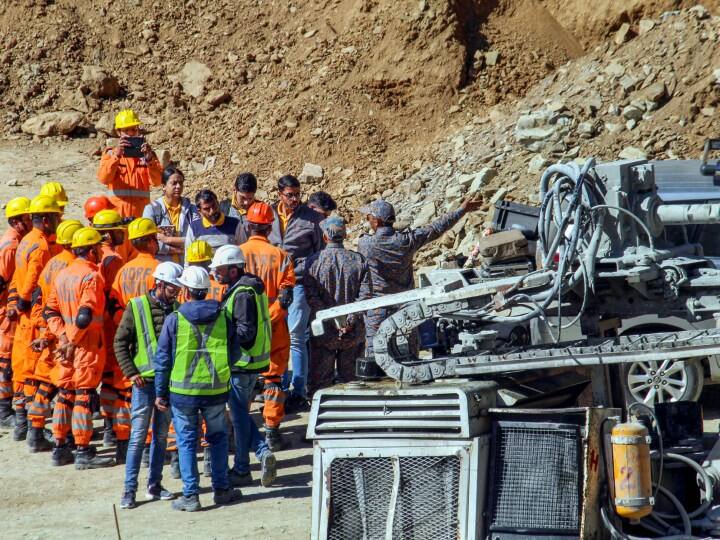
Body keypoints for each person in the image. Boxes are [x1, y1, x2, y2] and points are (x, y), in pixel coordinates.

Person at [154, 266, 242, 511]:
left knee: (186, 442)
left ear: (185, 291)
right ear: (205, 290)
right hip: (215, 391)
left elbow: (162, 360)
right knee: (218, 439)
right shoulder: (223, 316)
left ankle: (191, 496)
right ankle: (222, 489)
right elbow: (234, 352)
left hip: (183, 395)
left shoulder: (174, 319)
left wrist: (160, 393)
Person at [359, 197, 482, 354]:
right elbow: (436, 228)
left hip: (378, 308)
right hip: (406, 306)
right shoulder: (406, 240)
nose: (368, 221)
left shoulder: (366, 244)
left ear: (376, 221)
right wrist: (462, 210)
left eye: (369, 217)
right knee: (411, 354)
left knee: (375, 353)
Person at [44, 227, 114, 469]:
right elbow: (85, 316)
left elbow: (50, 311)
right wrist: (72, 340)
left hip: (67, 347)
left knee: (65, 394)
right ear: (93, 250)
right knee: (84, 396)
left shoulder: (63, 275)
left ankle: (60, 447)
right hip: (85, 346)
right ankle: (83, 451)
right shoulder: (91, 277)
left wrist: (62, 337)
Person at [115, 262, 183, 510]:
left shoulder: (177, 309)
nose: (176, 293)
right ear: (160, 284)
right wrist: (132, 374)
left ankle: (154, 484)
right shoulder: (136, 306)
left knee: (161, 437)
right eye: (173, 288)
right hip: (143, 384)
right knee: (137, 438)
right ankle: (129, 490)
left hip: (166, 385)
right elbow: (120, 343)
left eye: (178, 289)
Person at [210, 245, 276, 488]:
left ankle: (248, 464)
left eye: (221, 270)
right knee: (240, 415)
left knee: (238, 418)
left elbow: (245, 332)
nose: (217, 274)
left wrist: (222, 341)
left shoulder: (242, 293)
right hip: (253, 362)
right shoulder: (249, 288)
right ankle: (249, 462)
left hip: (242, 363)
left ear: (234, 270)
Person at [240, 202, 295, 453]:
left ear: (249, 225)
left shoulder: (236, 254)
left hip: (243, 327)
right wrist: (269, 317)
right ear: (271, 226)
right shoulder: (281, 256)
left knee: (244, 378)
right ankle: (272, 432)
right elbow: (286, 297)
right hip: (274, 326)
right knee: (273, 379)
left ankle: (241, 431)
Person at [25, 219, 83, 453]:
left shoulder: (53, 262)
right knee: (61, 386)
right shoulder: (68, 265)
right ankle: (56, 435)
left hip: (49, 329)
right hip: (60, 333)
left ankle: (35, 431)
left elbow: (40, 298)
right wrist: (53, 334)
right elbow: (60, 304)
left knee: (47, 384)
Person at [8, 195, 62, 442]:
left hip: (24, 316)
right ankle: (33, 430)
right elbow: (33, 281)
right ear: (47, 219)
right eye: (57, 215)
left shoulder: (26, 240)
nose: (60, 218)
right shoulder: (39, 246)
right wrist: (25, 302)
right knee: (33, 372)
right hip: (33, 315)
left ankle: (22, 426)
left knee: (21, 368)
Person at [268, 175, 324, 411]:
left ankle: (298, 390)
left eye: (297, 194)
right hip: (271, 284)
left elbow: (319, 254)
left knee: (296, 335)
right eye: (289, 195)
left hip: (298, 283)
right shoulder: (267, 214)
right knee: (271, 334)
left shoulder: (312, 219)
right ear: (279, 194)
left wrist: (300, 267)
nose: (294, 199)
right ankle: (273, 384)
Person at [305, 216, 371, 395]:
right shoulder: (359, 260)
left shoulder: (312, 262)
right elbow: (365, 296)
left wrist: (331, 320)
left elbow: (311, 297)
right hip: (353, 331)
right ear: (345, 234)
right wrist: (348, 322)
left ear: (325, 237)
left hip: (323, 332)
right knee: (353, 383)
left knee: (320, 384)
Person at [93, 209, 132, 457]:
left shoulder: (95, 254)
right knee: (120, 385)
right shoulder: (114, 260)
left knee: (107, 382)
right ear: (109, 233)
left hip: (101, 329)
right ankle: (120, 436)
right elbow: (115, 299)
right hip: (114, 326)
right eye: (119, 229)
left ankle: (108, 428)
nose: (123, 233)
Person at [0, 197, 32, 428]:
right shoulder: (11, 246)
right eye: (27, 217)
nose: (31, 220)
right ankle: (3, 410)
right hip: (6, 312)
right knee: (5, 360)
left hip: (8, 309)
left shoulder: (16, 241)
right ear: (16, 221)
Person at [97, 109, 162, 218]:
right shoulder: (110, 154)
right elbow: (104, 179)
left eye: (134, 129)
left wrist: (150, 160)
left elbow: (157, 182)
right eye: (126, 130)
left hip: (141, 215)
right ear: (118, 132)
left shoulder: (147, 156)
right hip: (118, 215)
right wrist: (116, 157)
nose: (131, 133)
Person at [143, 167, 199, 264]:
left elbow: (197, 238)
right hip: (162, 267)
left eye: (181, 183)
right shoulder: (151, 209)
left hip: (187, 266)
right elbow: (147, 242)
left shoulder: (191, 210)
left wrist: (167, 239)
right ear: (163, 186)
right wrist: (180, 249)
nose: (178, 186)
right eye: (174, 183)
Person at [110, 218, 160, 310]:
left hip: (126, 321)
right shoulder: (159, 269)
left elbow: (113, 303)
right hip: (151, 322)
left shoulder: (123, 270)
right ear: (150, 241)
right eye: (155, 237)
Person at [220, 172, 259, 244]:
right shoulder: (223, 208)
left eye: (250, 198)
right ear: (234, 190)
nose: (246, 202)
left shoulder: (260, 210)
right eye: (242, 198)